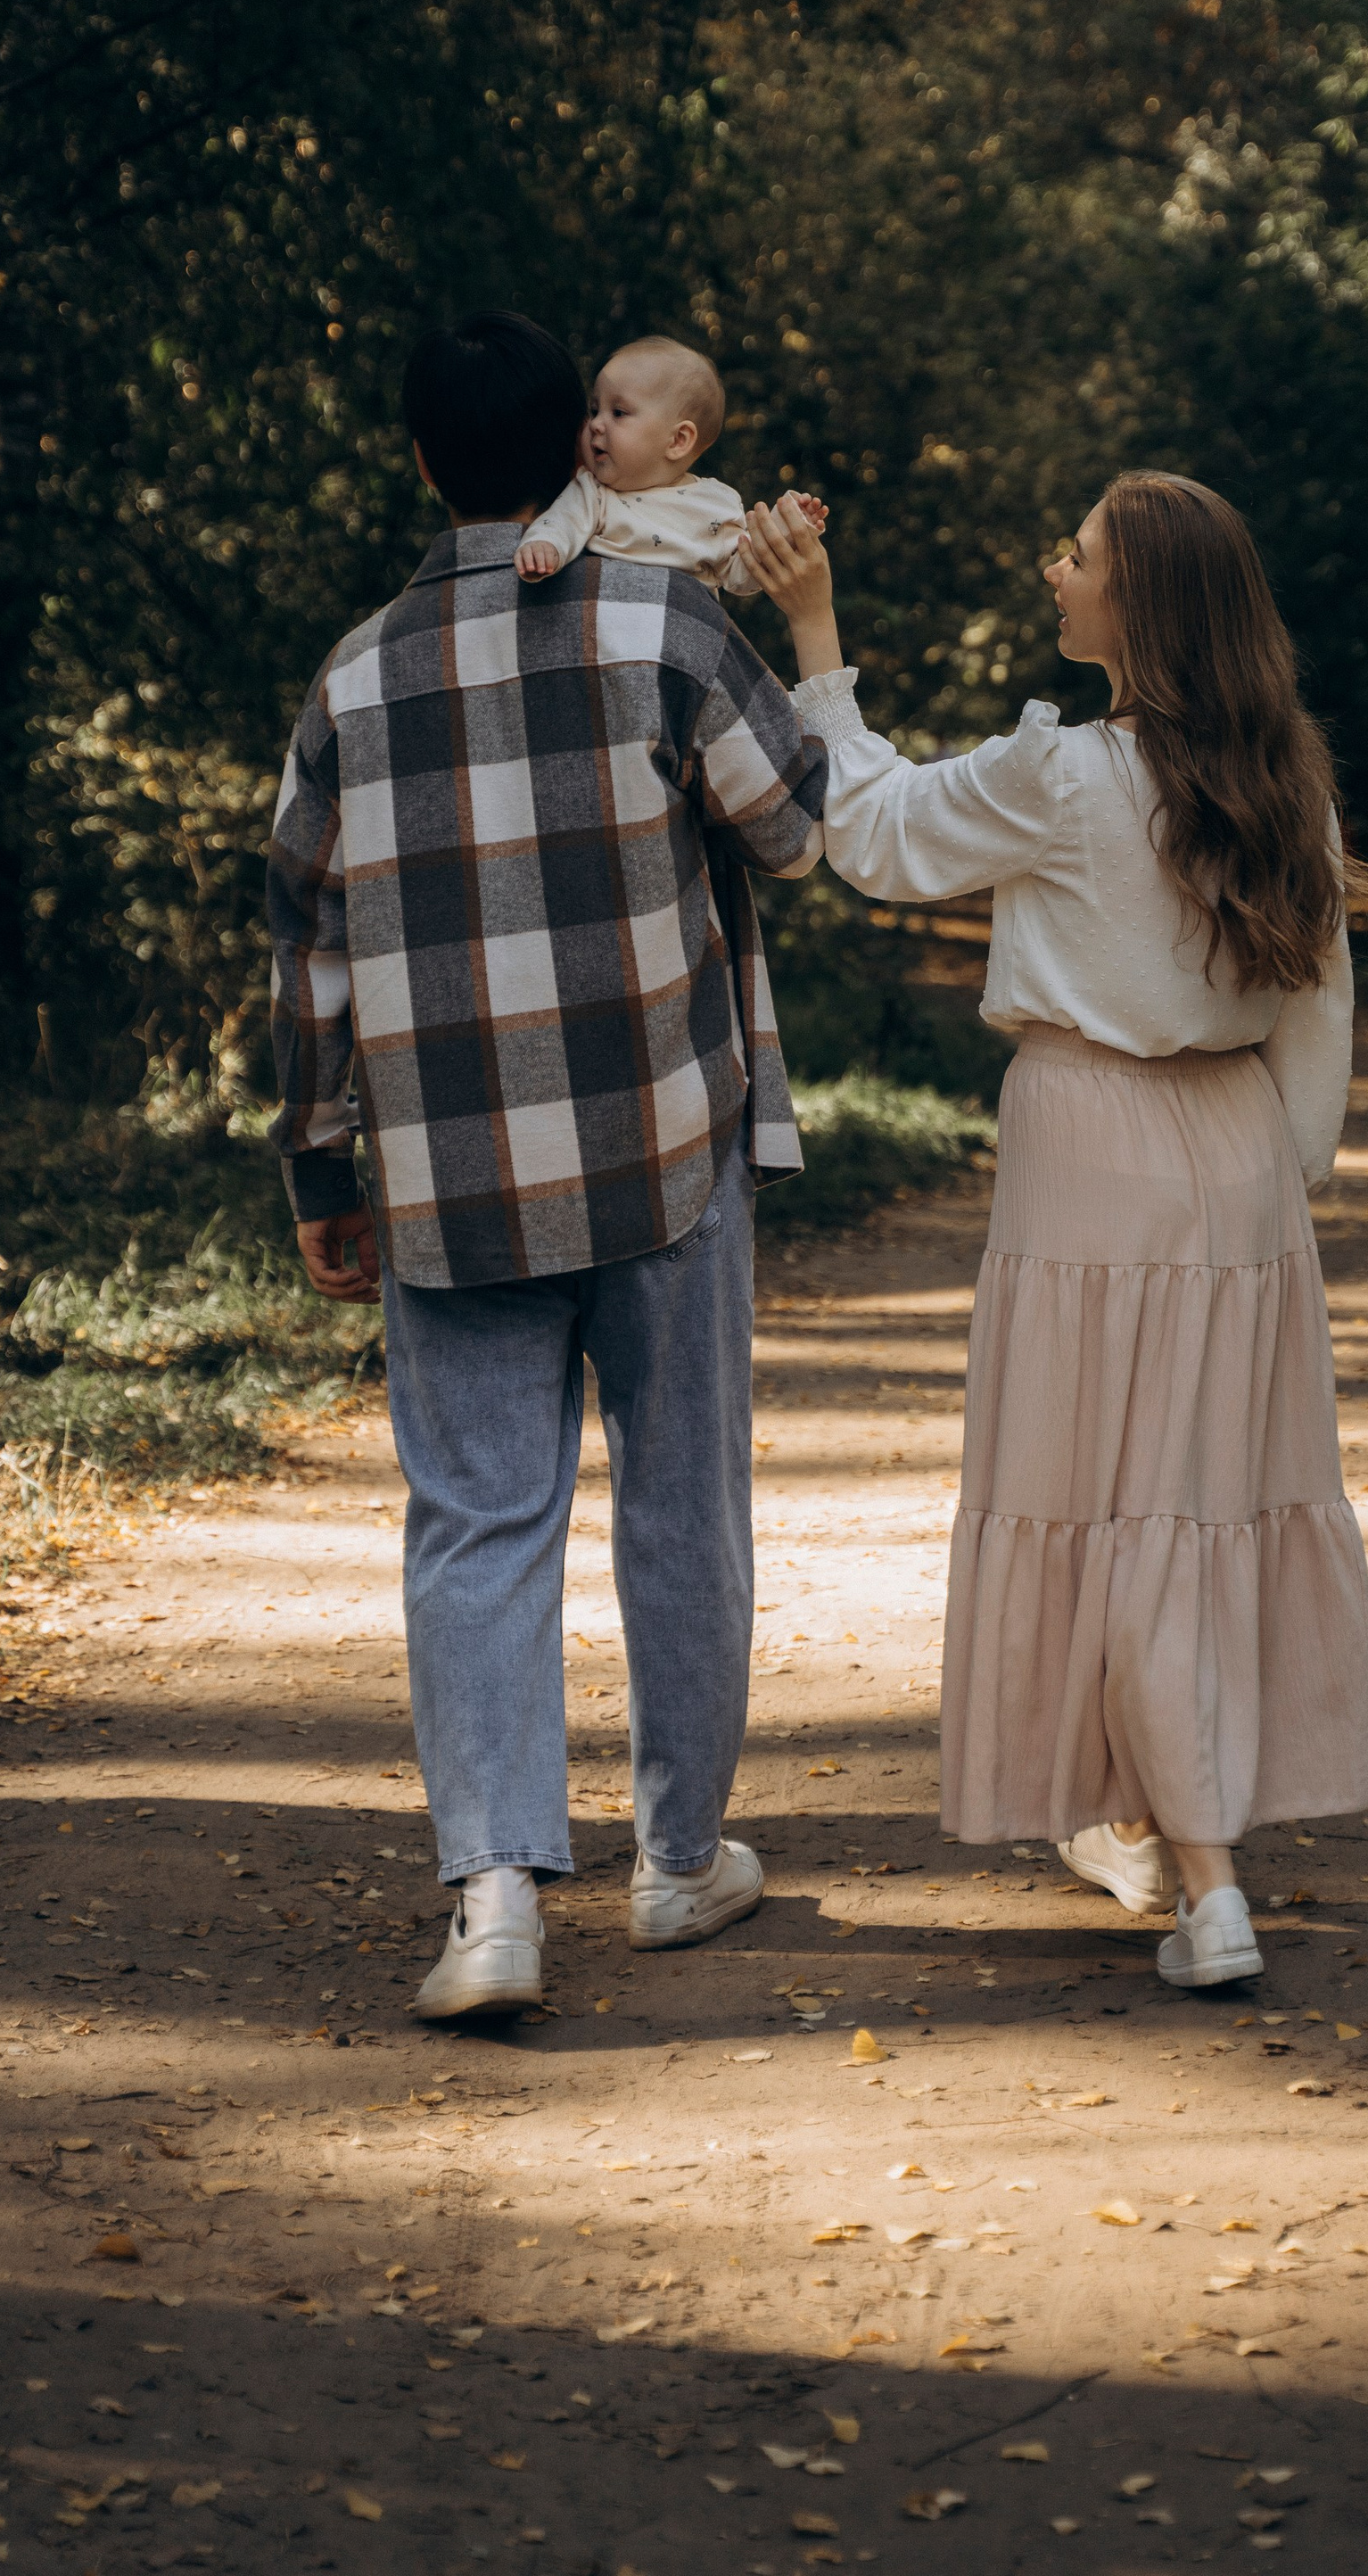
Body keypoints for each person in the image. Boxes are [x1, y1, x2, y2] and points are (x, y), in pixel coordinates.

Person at [743, 469, 1368, 1991]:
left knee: (1110, 1503)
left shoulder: (1064, 771)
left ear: (1138, 600)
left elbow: (877, 832)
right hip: (1237, 1157)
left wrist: (813, 626)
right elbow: (1321, 1000)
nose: (1056, 567)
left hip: (1090, 1146)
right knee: (1187, 1499)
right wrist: (1277, 1188)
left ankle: (1208, 1882)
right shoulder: (1284, 765)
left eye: (1079, 553)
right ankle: (1132, 1811)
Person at [268, 310, 829, 2023]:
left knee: (477, 1517)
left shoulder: (352, 678)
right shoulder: (673, 626)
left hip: (446, 1174)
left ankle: (495, 1894)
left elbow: (309, 951)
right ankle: (677, 1862)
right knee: (682, 1497)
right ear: (577, 441)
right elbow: (799, 829)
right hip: (662, 1142)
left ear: (425, 462)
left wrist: (322, 1177)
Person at [513, 333, 825, 590]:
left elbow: (740, 575)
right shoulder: (592, 493)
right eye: (595, 410)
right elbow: (562, 523)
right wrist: (544, 546)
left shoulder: (715, 504)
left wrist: (785, 534)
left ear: (677, 441)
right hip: (607, 634)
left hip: (681, 644)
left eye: (618, 413)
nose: (596, 424)